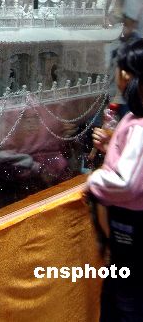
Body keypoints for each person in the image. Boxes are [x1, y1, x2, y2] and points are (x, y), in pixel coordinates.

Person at [87, 38, 143, 321]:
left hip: (130, 223)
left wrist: (95, 181)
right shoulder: (133, 120)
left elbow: (127, 183)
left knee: (125, 297)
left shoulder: (138, 126)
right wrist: (111, 148)